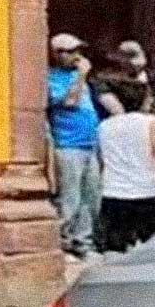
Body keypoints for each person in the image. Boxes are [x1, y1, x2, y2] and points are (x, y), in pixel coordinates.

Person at [96, 85, 155, 252]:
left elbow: (101, 160)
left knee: (115, 250)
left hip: (113, 193)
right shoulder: (150, 122)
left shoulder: (104, 126)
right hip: (145, 192)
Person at [46, 33, 101, 258]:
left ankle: (83, 242)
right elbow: (69, 102)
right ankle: (64, 242)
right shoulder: (53, 79)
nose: (78, 56)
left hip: (89, 145)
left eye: (79, 51)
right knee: (70, 199)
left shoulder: (79, 79)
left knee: (91, 198)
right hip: (68, 145)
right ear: (58, 54)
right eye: (72, 52)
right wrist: (80, 76)